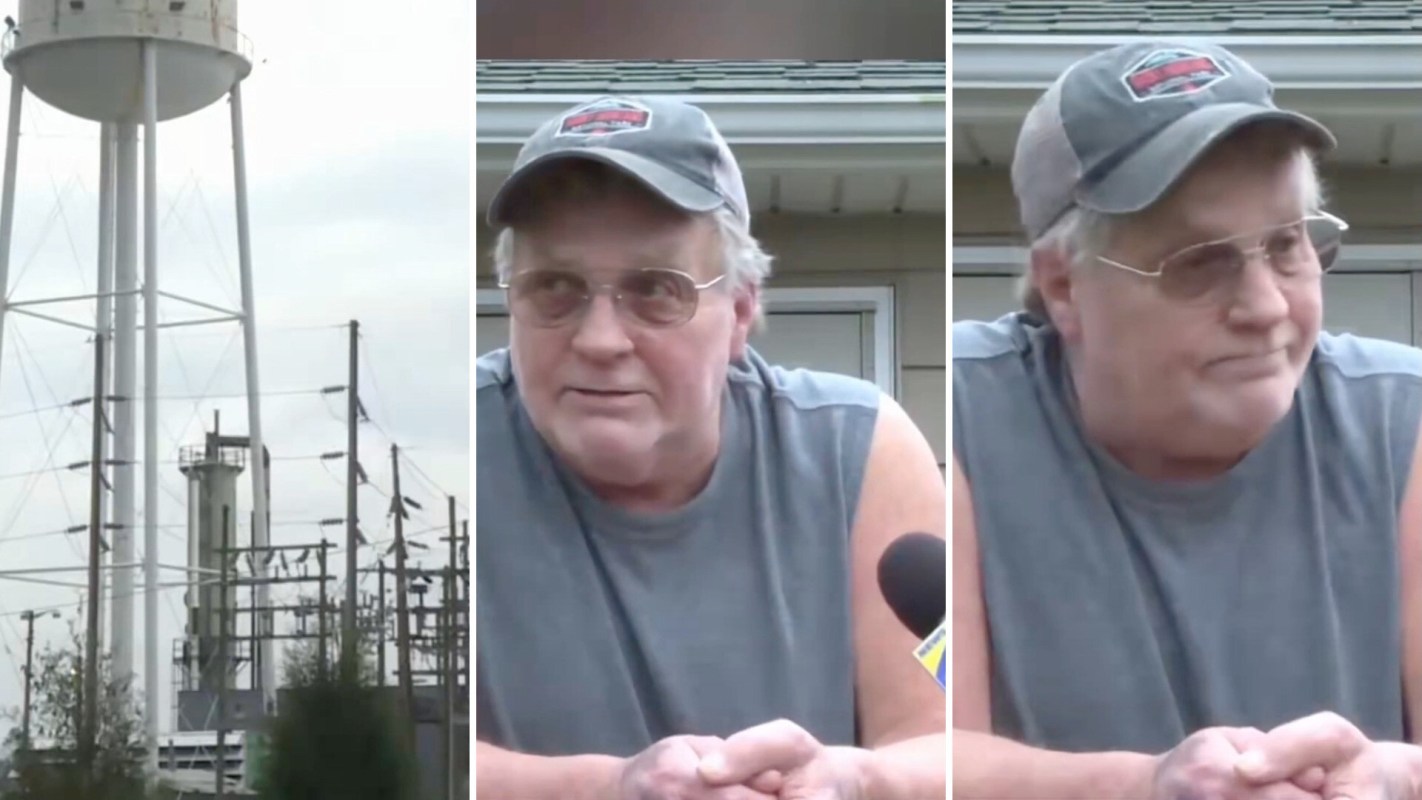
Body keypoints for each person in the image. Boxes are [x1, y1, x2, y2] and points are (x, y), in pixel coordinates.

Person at [953, 39, 1422, 799]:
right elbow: (929, 758)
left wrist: (1395, 777)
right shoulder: (964, 418)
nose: (1266, 307)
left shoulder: (1402, 420)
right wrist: (1148, 785)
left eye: (1288, 245)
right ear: (1065, 288)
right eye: (1201, 263)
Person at [475, 95, 946, 799]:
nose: (600, 339)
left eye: (656, 291)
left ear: (741, 312)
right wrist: (611, 788)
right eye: (555, 289)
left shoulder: (859, 450)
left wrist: (858, 780)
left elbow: (944, 739)